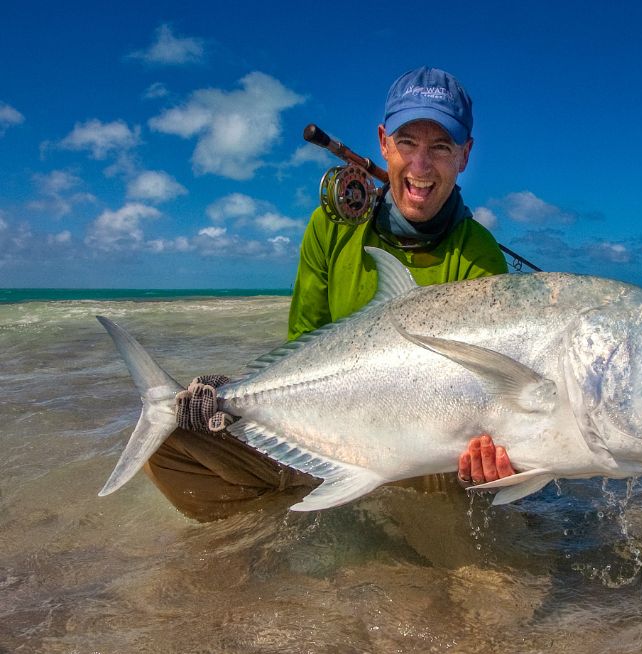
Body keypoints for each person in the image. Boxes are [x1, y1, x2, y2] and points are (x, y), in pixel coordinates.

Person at [144, 67, 515, 521]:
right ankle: (283, 533)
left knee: (457, 485)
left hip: (419, 451)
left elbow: (485, 394)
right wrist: (234, 396)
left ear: (465, 155)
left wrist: (489, 464)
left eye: (440, 147)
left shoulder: (479, 256)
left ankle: (379, 528)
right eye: (407, 143)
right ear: (383, 143)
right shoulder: (332, 226)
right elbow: (303, 342)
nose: (420, 166)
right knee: (173, 445)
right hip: (322, 429)